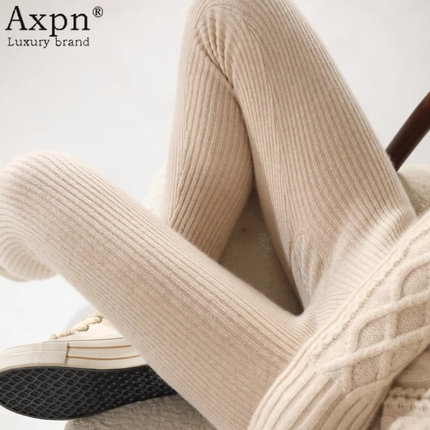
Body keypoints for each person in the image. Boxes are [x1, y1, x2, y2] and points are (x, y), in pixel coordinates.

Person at [1, 0, 430, 428]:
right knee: (229, 13)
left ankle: (124, 318)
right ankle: (134, 323)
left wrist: (313, 394)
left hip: (374, 399)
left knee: (30, 187)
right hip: (400, 269)